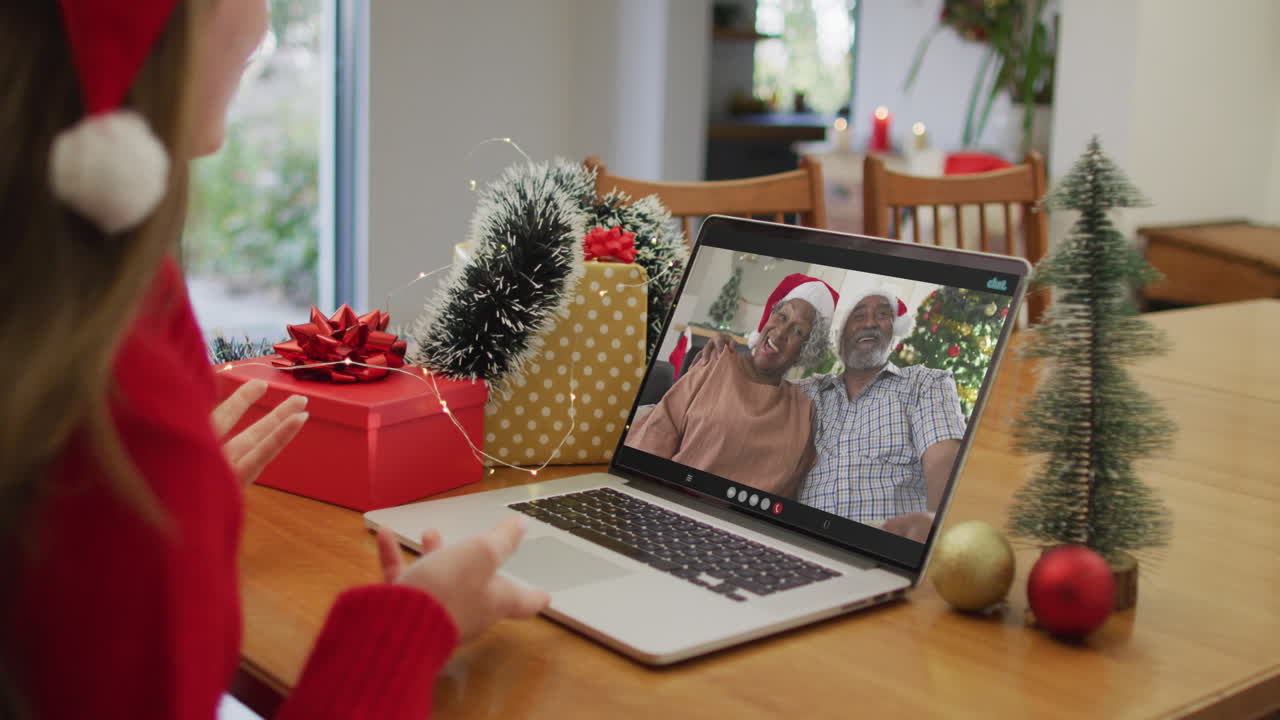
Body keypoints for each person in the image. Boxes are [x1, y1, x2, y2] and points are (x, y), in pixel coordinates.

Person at [0, 2, 547, 718]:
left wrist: (182, 518)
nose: (263, 26)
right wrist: (414, 621)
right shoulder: (119, 413)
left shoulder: (84, 329)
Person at [707, 286, 966, 543]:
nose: (870, 323)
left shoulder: (925, 383)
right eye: (859, 315)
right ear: (840, 336)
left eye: (883, 315)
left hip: (886, 544)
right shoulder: (805, 393)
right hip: (800, 543)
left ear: (894, 331)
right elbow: (751, 396)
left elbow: (944, 458)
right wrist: (729, 358)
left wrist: (937, 519)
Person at [626, 274, 838, 498]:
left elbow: (789, 494)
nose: (781, 332)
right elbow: (656, 434)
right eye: (781, 316)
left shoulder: (804, 410)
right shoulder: (717, 362)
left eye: (798, 331)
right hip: (669, 503)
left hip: (744, 525)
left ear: (806, 348)